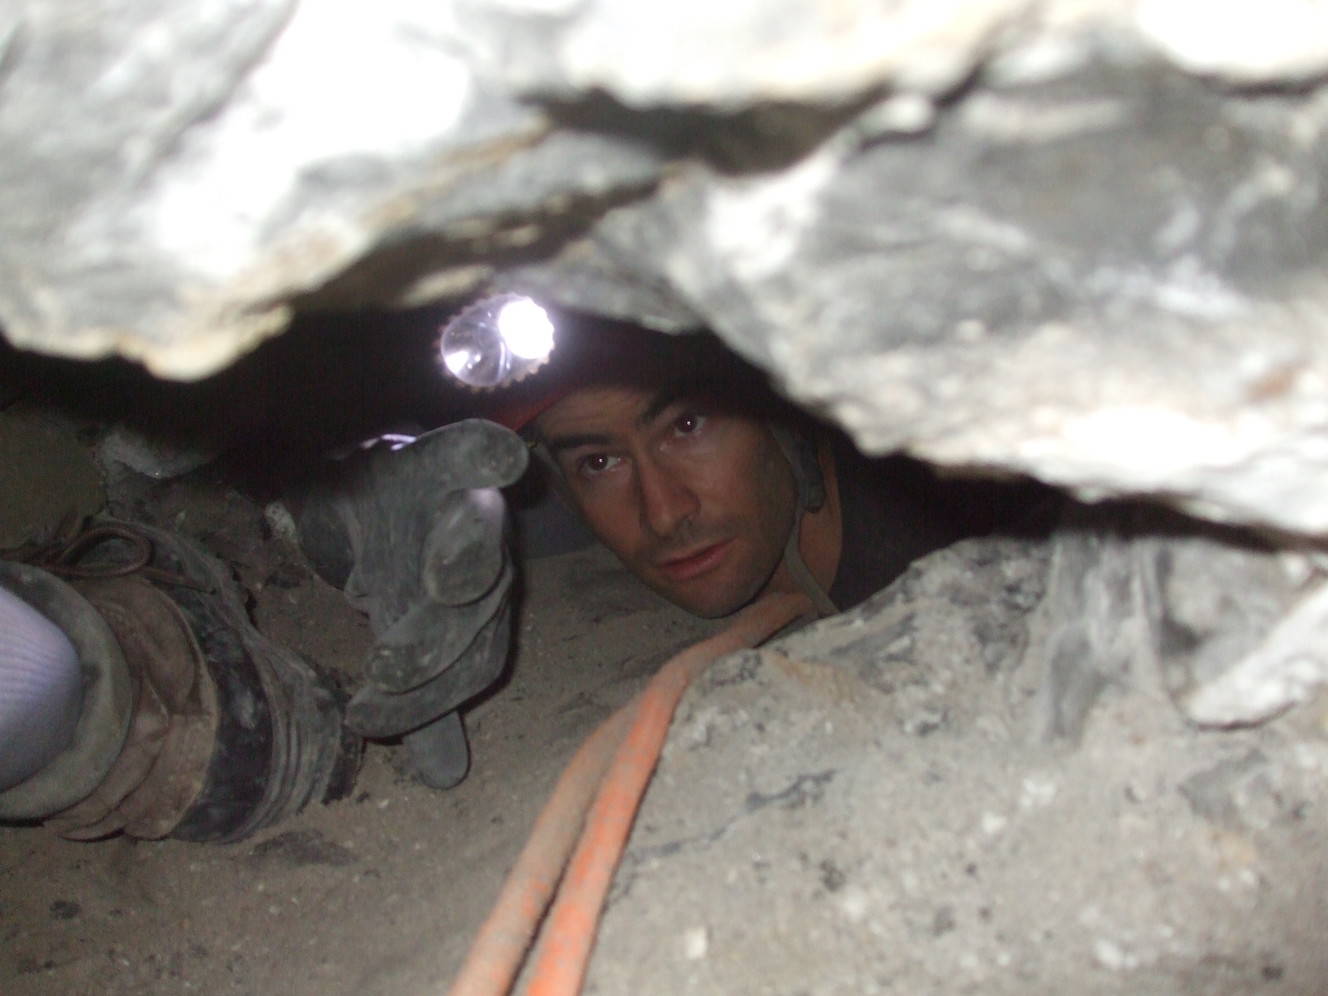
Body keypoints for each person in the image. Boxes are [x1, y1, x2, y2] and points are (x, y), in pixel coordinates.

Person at [0, 297, 1051, 843]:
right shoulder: (579, 512)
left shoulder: (960, 519)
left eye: (686, 423)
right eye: (595, 459)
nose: (659, 509)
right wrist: (315, 517)